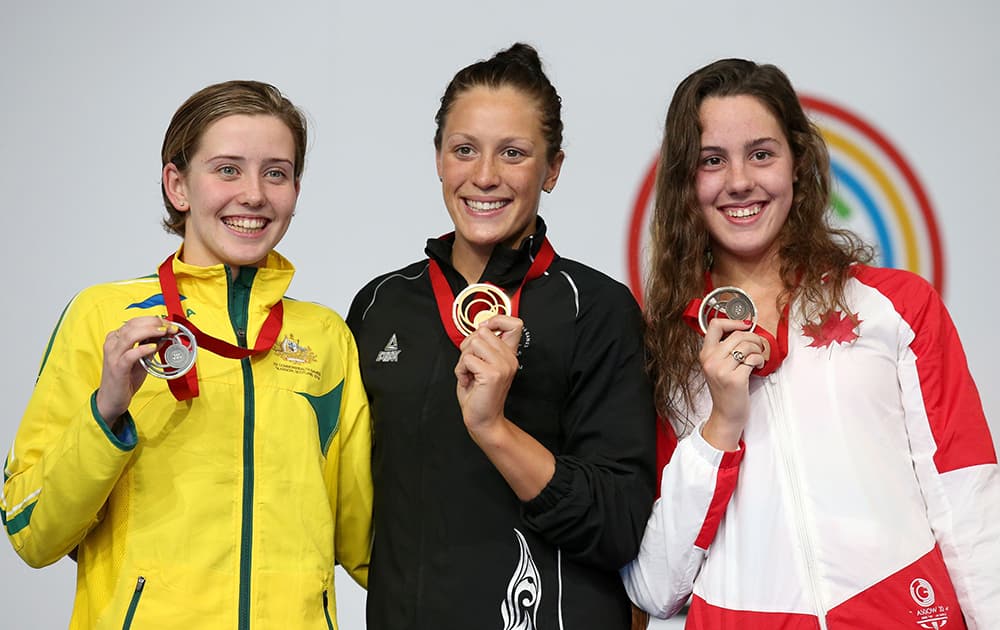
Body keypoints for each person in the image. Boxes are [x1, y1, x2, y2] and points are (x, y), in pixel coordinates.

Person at [621, 58, 1000, 628]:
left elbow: (965, 494)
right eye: (712, 161)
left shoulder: (894, 306)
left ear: (798, 163)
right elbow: (654, 587)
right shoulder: (663, 352)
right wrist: (720, 426)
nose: (740, 180)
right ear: (684, 182)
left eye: (762, 153)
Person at [1, 80, 372, 629]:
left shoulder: (325, 337)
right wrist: (105, 412)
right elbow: (32, 532)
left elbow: (368, 543)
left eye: (277, 172)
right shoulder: (103, 317)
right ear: (178, 185)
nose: (254, 194)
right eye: (227, 169)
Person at [347, 43, 656, 629]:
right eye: (465, 150)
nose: (484, 176)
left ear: (554, 168)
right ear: (438, 158)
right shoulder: (380, 306)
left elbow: (619, 527)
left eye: (513, 153)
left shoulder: (595, 309)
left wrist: (493, 428)